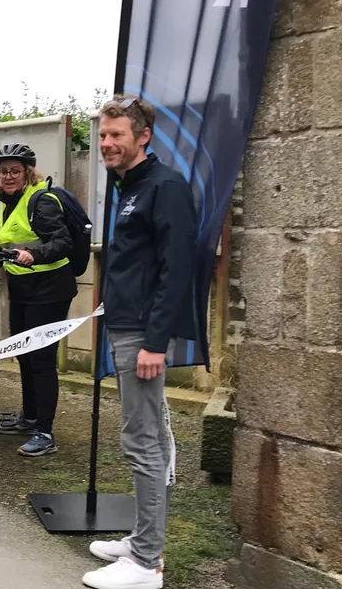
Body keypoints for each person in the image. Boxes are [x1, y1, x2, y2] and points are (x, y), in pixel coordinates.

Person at [82, 96, 196, 589]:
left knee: (143, 441)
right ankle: (143, 539)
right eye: (103, 136)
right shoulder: (130, 185)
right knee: (144, 438)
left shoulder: (164, 187)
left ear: (143, 136)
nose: (107, 143)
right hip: (126, 325)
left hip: (143, 334)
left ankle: (147, 563)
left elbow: (177, 269)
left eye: (117, 136)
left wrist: (155, 342)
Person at [0, 143, 77, 457]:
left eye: (15, 171)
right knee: (24, 355)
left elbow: (62, 241)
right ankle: (30, 417)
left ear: (27, 173)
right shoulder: (10, 204)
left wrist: (34, 254)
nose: (9, 176)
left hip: (50, 289)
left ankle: (45, 433)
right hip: (22, 289)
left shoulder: (41, 201)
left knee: (41, 360)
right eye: (4, 172)